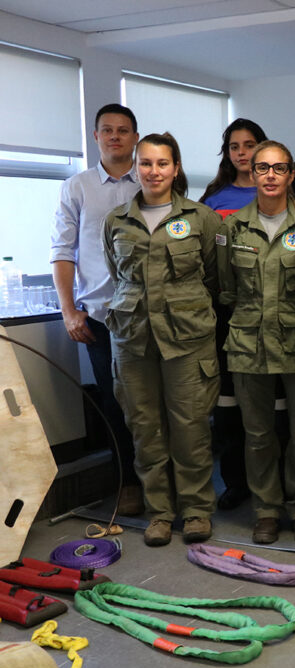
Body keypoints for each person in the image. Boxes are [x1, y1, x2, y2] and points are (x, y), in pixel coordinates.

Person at [102, 132, 222, 546]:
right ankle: (160, 512)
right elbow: (117, 276)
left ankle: (195, 510)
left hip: (187, 340)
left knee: (190, 427)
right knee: (145, 429)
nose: (154, 171)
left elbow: (214, 275)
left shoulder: (201, 218)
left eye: (162, 163)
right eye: (147, 163)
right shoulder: (117, 221)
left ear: (176, 169)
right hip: (133, 340)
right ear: (136, 167)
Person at [218, 141, 295, 546]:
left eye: (279, 168)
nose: (270, 176)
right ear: (252, 173)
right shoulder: (232, 228)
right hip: (248, 343)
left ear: (291, 175)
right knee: (257, 434)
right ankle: (265, 509)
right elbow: (225, 288)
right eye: (263, 168)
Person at [51, 104, 143, 515]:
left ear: (135, 137)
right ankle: (128, 482)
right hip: (101, 317)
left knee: (152, 402)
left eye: (123, 130)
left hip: (150, 314)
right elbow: (61, 251)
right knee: (114, 402)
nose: (115, 137)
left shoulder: (152, 180)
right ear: (95, 136)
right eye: (107, 130)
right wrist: (69, 310)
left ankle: (163, 484)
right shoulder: (78, 187)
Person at [199, 118, 269, 513]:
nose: (242, 153)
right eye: (235, 146)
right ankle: (235, 481)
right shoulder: (213, 200)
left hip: (269, 312)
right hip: (224, 314)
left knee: (270, 408)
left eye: (249, 145)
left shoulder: (278, 193)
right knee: (227, 404)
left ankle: (272, 483)